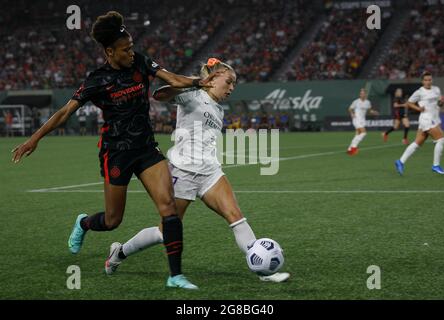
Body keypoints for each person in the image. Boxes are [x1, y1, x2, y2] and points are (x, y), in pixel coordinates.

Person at [11, 11, 218, 289]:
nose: (131, 52)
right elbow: (64, 113)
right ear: (110, 51)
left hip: (146, 149)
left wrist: (197, 81)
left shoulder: (141, 62)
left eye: (132, 46)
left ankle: (175, 275)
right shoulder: (97, 80)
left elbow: (170, 77)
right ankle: (84, 224)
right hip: (116, 153)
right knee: (112, 221)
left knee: (169, 209)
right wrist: (34, 138)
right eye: (125, 49)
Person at [104, 58, 290, 284]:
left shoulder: (219, 110)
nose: (231, 88)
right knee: (165, 232)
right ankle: (119, 253)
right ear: (213, 78)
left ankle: (262, 271)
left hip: (210, 172)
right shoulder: (192, 94)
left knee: (236, 217)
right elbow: (160, 95)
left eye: (234, 85)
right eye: (229, 82)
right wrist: (193, 83)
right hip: (183, 172)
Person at [395, 71, 444, 175]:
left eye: (430, 79)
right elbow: (409, 103)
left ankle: (400, 161)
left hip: (434, 118)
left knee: (417, 143)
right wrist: (418, 108)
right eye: (426, 80)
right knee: (441, 139)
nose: (428, 82)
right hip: (426, 118)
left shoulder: (436, 89)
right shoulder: (420, 92)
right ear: (422, 81)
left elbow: (439, 104)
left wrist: (442, 101)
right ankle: (436, 165)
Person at [346, 88, 379, 155]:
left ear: (365, 94)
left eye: (363, 93)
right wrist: (352, 114)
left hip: (362, 120)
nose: (362, 95)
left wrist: (374, 112)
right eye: (361, 94)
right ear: (360, 95)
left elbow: (369, 111)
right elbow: (350, 109)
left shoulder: (368, 102)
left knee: (358, 134)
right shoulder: (356, 101)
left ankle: (349, 149)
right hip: (356, 119)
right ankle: (354, 148)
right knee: (363, 133)